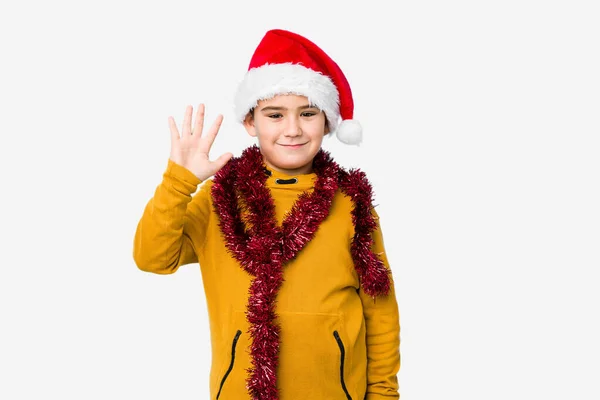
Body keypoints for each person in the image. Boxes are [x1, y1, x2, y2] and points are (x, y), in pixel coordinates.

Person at [133, 28, 401, 400]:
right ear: (250, 122)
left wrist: (384, 394)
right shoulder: (219, 199)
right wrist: (180, 182)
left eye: (308, 113)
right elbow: (152, 258)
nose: (292, 129)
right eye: (275, 115)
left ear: (327, 122)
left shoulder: (350, 202)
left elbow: (380, 308)